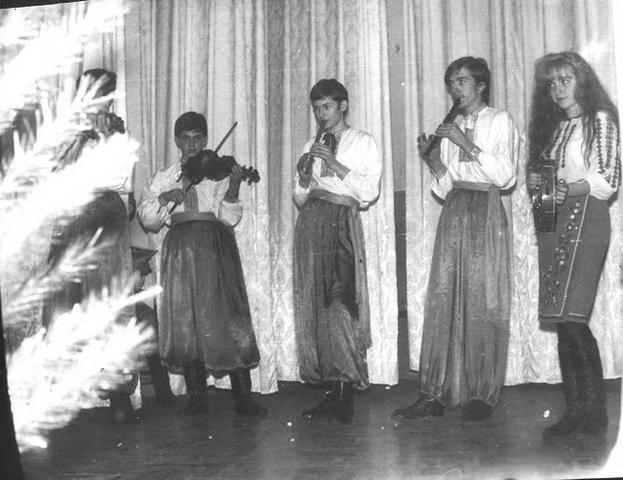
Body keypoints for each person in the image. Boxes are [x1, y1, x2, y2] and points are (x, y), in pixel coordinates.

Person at [392, 57, 520, 422]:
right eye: (451, 83)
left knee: (483, 299)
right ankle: (435, 393)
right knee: (443, 296)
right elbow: (446, 186)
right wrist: (434, 161)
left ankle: (480, 395)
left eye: (461, 81)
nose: (455, 89)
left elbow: (505, 176)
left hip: (486, 209)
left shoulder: (500, 120)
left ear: (481, 85)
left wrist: (464, 142)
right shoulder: (452, 125)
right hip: (456, 207)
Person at [137, 111, 266, 416]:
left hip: (214, 244)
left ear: (206, 139)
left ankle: (243, 398)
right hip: (180, 250)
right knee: (187, 320)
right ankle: (197, 399)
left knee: (227, 318)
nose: (192, 145)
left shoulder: (217, 171)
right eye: (186, 139)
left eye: (198, 138)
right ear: (177, 141)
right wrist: (166, 197)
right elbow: (149, 220)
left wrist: (233, 187)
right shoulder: (164, 177)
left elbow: (228, 218)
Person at [526, 52, 620, 436]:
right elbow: (552, 182)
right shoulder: (555, 129)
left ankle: (594, 412)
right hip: (555, 221)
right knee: (563, 321)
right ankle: (576, 411)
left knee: (574, 317)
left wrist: (571, 188)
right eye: (551, 83)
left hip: (587, 218)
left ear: (583, 81)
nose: (557, 89)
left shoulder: (601, 121)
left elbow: (608, 179)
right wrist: (540, 184)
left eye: (565, 80)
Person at [41, 68, 137, 424]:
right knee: (63, 304)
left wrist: (108, 139)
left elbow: (120, 180)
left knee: (110, 303)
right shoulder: (66, 134)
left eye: (105, 96)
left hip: (105, 216)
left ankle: (118, 393)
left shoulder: (120, 135)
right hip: (70, 218)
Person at [293, 79, 382, 424]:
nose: (321, 114)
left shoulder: (363, 141)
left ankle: (345, 393)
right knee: (316, 305)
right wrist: (304, 178)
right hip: (312, 222)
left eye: (327, 106)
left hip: (341, 221)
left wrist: (334, 162)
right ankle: (332, 392)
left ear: (343, 106)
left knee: (340, 303)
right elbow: (300, 197)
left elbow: (369, 192)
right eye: (316, 108)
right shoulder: (310, 143)